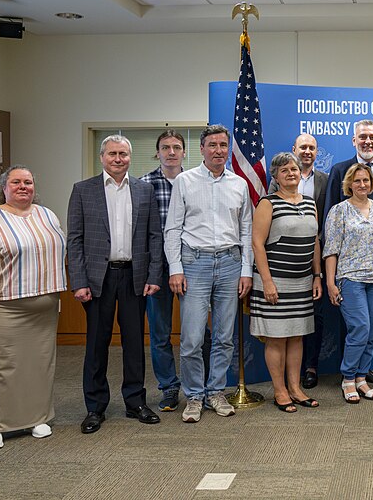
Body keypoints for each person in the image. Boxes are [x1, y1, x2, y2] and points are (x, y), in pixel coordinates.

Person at [0, 166, 66, 450]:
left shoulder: (47, 215)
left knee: (40, 364)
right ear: (4, 188)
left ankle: (38, 418)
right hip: (4, 304)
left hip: (44, 304)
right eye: (16, 182)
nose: (23, 187)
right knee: (2, 366)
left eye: (28, 182)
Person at [68, 135, 163, 434]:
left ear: (130, 157)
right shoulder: (83, 190)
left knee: (134, 342)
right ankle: (95, 408)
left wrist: (153, 275)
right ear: (102, 157)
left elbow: (154, 237)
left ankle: (135, 402)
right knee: (97, 343)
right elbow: (75, 240)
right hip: (99, 278)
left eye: (123, 154)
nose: (118, 159)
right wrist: (78, 281)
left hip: (134, 275)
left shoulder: (144, 190)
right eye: (112, 154)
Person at [165, 124, 253, 423]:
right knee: (191, 338)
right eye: (212, 145)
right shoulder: (185, 181)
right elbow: (173, 228)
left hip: (230, 263)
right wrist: (175, 268)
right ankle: (193, 396)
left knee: (225, 337)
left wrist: (245, 271)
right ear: (202, 149)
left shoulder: (239, 184)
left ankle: (215, 391)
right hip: (195, 264)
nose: (218, 150)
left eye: (223, 145)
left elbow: (246, 231)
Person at [140, 129, 211, 413]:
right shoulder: (144, 185)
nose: (171, 152)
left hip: (194, 264)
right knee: (160, 332)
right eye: (165, 147)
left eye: (177, 147)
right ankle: (169, 387)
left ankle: (200, 386)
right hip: (157, 268)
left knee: (198, 331)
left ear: (184, 152)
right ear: (157, 152)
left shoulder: (197, 182)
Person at [324, 120, 373, 386]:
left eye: (366, 180)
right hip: (350, 277)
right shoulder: (339, 210)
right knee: (360, 328)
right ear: (349, 183)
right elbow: (330, 247)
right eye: (358, 180)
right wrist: (330, 282)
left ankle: (363, 377)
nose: (363, 184)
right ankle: (348, 377)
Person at [251, 152, 323, 413]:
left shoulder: (310, 202)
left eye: (294, 169)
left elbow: (314, 241)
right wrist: (268, 282)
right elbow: (257, 244)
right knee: (277, 339)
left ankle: (295, 388)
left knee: (296, 337)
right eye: (285, 171)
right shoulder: (268, 203)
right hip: (274, 282)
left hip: (302, 282)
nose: (291, 173)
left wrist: (317, 276)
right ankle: (280, 391)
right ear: (276, 177)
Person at [268, 134, 329, 390]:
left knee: (312, 318)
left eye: (312, 148)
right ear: (294, 149)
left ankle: (310, 368)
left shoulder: (325, 180)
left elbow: (324, 219)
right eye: (302, 147)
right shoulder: (274, 187)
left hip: (314, 261)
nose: (307, 151)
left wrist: (318, 269)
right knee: (284, 328)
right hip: (280, 267)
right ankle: (282, 385)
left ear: (317, 152)